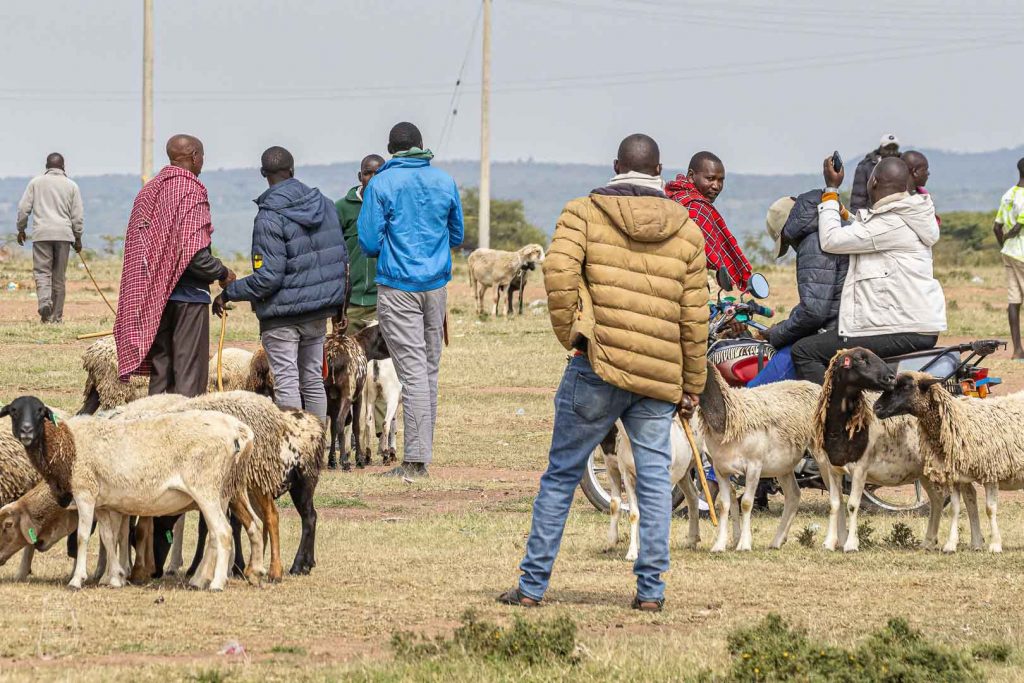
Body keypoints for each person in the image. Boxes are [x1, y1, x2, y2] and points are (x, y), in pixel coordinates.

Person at [498, 134, 708, 612]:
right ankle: (650, 592)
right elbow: (695, 318)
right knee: (654, 481)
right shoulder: (687, 229)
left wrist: (573, 335)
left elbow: (557, 274)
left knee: (561, 476)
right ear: (660, 172)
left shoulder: (583, 213)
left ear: (616, 166)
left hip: (595, 366)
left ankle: (531, 587)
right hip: (658, 377)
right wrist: (692, 385)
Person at [358, 122, 464, 478]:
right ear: (421, 146)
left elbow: (368, 242)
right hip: (436, 286)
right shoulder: (444, 181)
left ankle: (416, 461)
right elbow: (457, 234)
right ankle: (422, 454)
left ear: (391, 149)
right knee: (429, 370)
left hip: (399, 285)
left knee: (412, 371)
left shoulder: (381, 183)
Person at [214, 146, 348, 422]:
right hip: (318, 310)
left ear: (263, 173)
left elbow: (268, 278)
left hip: (282, 315)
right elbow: (341, 261)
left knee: (286, 379)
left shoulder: (268, 216)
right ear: (293, 169)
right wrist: (339, 308)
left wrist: (228, 293)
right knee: (312, 378)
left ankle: (295, 444)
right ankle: (316, 442)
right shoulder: (325, 205)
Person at [790, 156, 946, 383]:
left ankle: (829, 405)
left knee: (805, 351)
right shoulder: (907, 214)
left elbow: (832, 240)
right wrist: (844, 214)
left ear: (873, 182)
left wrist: (831, 190)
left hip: (901, 328)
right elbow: (869, 231)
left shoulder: (891, 222)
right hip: (915, 324)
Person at [114, 134, 234, 396]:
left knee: (162, 369)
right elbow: (195, 256)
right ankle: (185, 420)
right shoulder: (190, 189)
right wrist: (223, 272)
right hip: (188, 297)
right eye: (202, 157)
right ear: (194, 156)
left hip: (154, 299)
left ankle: (157, 418)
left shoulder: (150, 190)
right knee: (188, 372)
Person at [665, 151, 752, 290]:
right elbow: (709, 256)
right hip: (683, 283)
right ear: (691, 176)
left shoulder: (674, 196)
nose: (716, 186)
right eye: (710, 178)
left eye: (720, 180)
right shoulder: (696, 207)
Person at [16, 153, 84, 324]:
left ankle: (45, 303)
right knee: (59, 277)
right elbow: (77, 216)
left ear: (46, 166)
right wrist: (77, 238)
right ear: (63, 167)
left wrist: (21, 229)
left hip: (41, 234)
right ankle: (56, 318)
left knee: (42, 272)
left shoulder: (35, 183)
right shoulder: (72, 186)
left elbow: (23, 209)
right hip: (64, 235)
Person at [335, 154, 385, 333]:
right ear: (360, 176)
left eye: (378, 174)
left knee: (386, 350)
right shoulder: (342, 208)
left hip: (383, 299)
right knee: (346, 347)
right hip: (351, 302)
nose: (372, 178)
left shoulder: (391, 207)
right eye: (367, 173)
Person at [993, 157, 1024, 359]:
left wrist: (1003, 245)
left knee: (1014, 301)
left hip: (1009, 253)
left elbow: (996, 227)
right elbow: (1018, 227)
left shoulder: (1008, 195)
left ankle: (1018, 350)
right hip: (1022, 253)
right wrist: (1009, 237)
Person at [850, 133, 900, 212]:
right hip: (873, 214)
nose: (891, 152)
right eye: (887, 148)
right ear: (881, 149)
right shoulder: (866, 166)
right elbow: (858, 198)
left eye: (894, 149)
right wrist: (858, 215)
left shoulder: (904, 165)